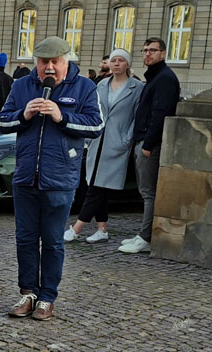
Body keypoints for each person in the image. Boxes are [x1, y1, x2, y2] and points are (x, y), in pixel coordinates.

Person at [0, 37, 103, 321]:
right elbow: (2, 120)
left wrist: (61, 116)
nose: (49, 68)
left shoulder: (84, 87)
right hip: (25, 176)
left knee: (53, 241)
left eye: (55, 62)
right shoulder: (22, 85)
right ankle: (28, 293)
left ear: (66, 61)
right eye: (44, 62)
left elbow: (96, 126)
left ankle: (47, 298)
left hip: (60, 178)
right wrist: (24, 114)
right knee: (25, 239)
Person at [65, 49, 142, 244]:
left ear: (127, 64)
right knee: (96, 184)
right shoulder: (101, 85)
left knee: (97, 188)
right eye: (113, 60)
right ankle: (102, 229)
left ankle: (76, 229)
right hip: (97, 140)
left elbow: (137, 117)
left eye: (121, 60)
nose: (116, 63)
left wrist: (127, 139)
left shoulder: (137, 88)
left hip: (117, 143)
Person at [119, 37, 180, 254]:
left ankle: (146, 237)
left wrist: (148, 144)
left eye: (152, 50)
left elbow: (160, 114)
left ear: (163, 53)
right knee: (145, 191)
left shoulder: (164, 78)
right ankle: (144, 234)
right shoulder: (155, 76)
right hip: (144, 140)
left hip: (149, 143)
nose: (147, 54)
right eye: (145, 50)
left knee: (148, 192)